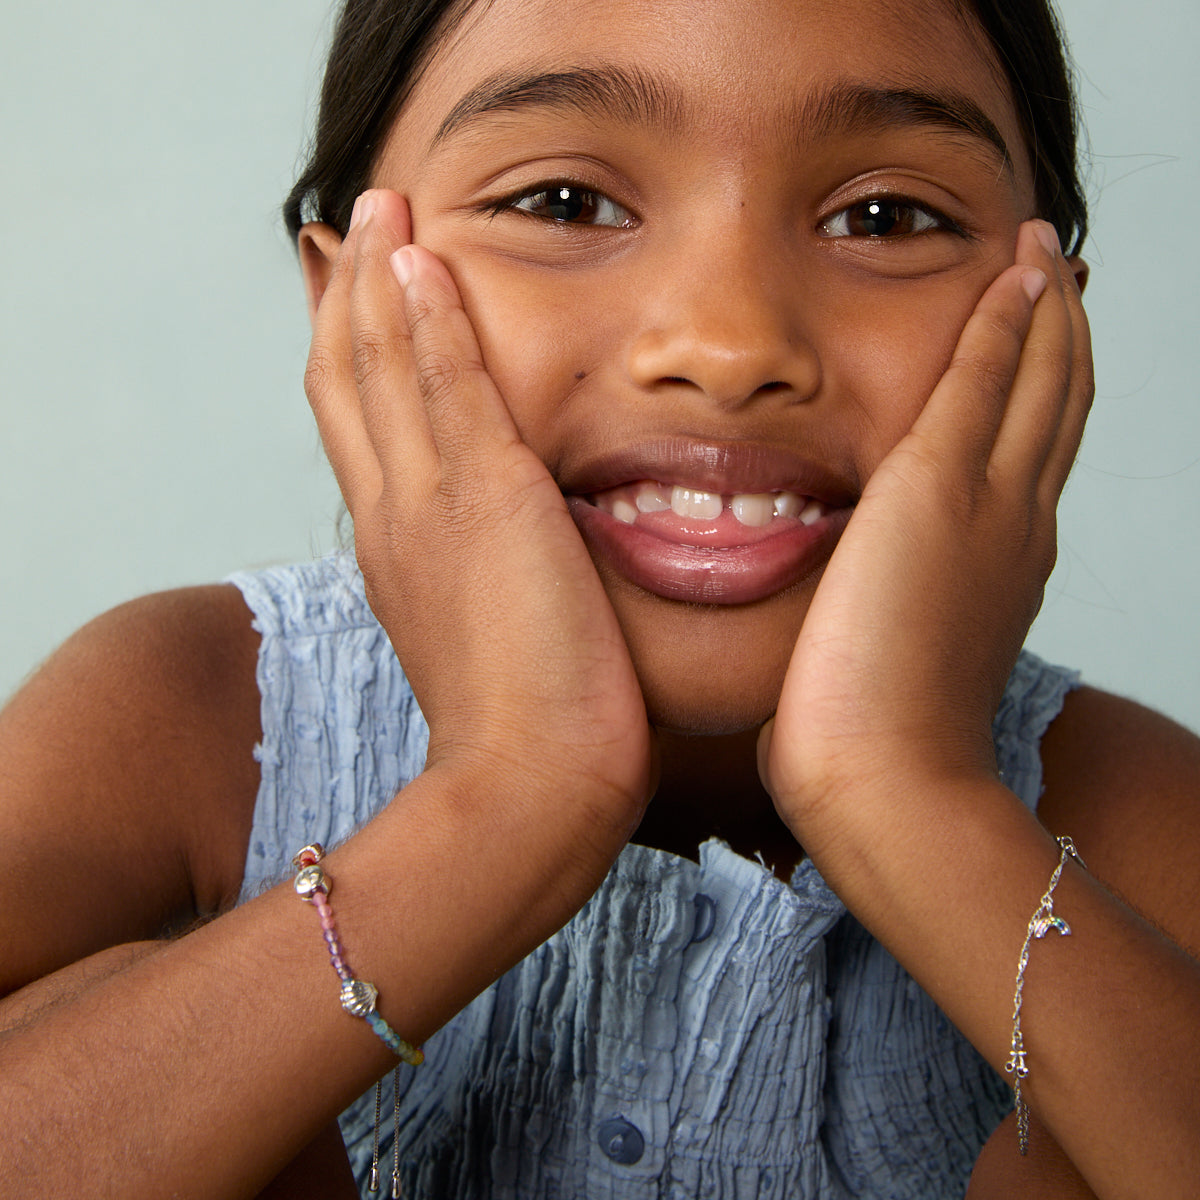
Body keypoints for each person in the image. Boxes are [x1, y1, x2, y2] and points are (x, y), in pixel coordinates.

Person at [1, 0, 1198, 1196]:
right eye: (565, 203)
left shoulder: (1129, 813)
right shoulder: (197, 718)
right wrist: (510, 795)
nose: (728, 346)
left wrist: (911, 791)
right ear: (348, 308)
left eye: (884, 219)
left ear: (1052, 341)